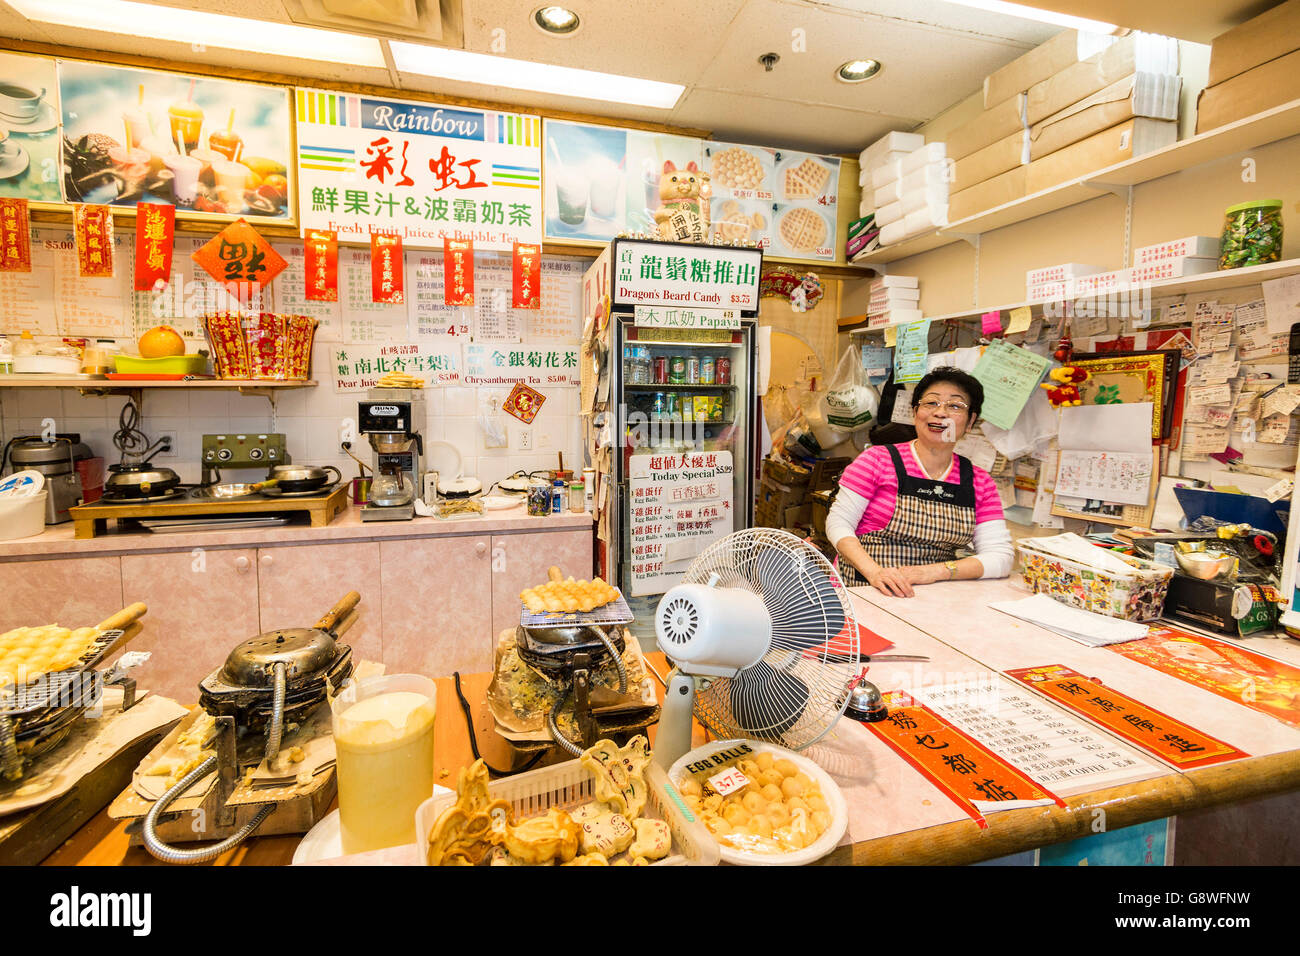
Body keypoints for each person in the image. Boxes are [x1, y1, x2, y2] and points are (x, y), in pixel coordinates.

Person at [826, 366, 1013, 597]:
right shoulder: (877, 460)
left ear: (970, 421)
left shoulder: (980, 482)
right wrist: (875, 573)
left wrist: (934, 572)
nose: (940, 413)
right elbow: (838, 524)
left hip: (932, 597)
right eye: (931, 403)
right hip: (862, 588)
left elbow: (1000, 557)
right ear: (915, 412)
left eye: (955, 406)